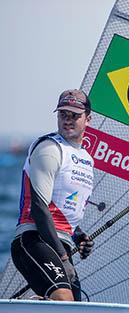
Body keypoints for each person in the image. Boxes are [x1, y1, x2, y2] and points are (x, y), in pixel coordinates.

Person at [10, 89, 95, 301]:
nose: (68, 120)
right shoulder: (50, 149)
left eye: (74, 115)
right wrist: (64, 257)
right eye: (63, 114)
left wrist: (77, 235)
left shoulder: (85, 158)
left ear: (88, 119)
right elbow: (40, 209)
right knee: (64, 300)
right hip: (34, 240)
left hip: (60, 243)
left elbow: (63, 207)